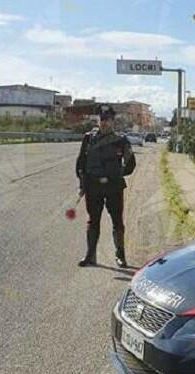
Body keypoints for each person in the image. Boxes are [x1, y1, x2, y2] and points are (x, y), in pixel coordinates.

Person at [75, 105, 136, 268]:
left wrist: (117, 174)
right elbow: (80, 162)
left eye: (108, 120)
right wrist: (82, 183)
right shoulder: (88, 139)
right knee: (93, 221)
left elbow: (131, 164)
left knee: (117, 221)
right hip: (93, 187)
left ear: (112, 122)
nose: (105, 123)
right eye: (102, 120)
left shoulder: (121, 140)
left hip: (113, 188)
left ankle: (121, 256)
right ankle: (90, 255)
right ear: (99, 121)